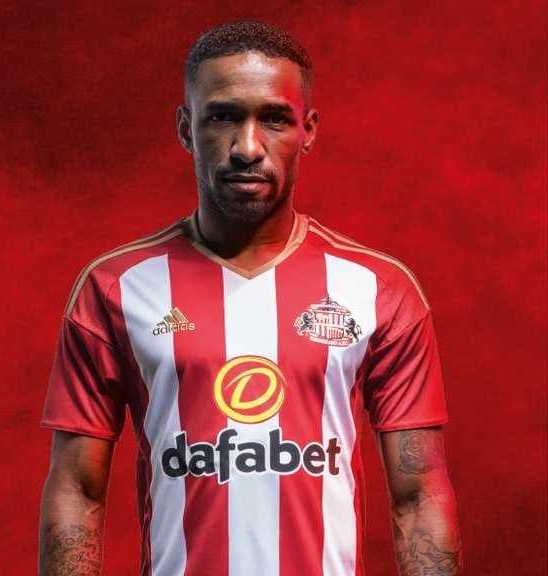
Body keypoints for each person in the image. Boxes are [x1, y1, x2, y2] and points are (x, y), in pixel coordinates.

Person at [39, 19, 462, 576]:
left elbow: (419, 494)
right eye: (223, 116)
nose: (248, 147)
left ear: (308, 130)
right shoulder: (115, 287)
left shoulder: (377, 288)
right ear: (186, 127)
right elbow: (77, 490)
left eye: (275, 119)